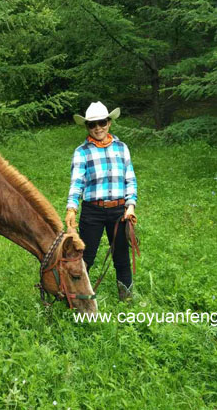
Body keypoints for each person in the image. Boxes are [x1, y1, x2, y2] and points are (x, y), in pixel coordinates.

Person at [65, 101, 138, 301]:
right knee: (85, 258)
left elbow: (130, 179)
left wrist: (130, 206)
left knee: (121, 258)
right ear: (87, 127)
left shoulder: (122, 148)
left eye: (102, 122)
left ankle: (127, 299)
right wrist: (72, 208)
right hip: (93, 211)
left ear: (109, 123)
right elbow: (77, 182)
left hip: (119, 211)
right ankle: (78, 298)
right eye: (92, 124)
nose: (98, 128)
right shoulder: (82, 152)